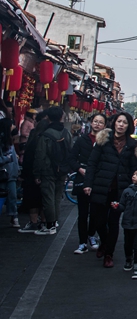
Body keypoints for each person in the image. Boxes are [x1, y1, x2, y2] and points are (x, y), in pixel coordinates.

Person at [83, 113, 137, 268]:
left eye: (125, 122)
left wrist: (134, 188)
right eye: (119, 121)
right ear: (114, 123)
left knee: (113, 222)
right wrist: (88, 184)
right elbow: (92, 163)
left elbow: (134, 169)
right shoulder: (103, 140)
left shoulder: (132, 145)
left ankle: (109, 253)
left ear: (129, 126)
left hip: (119, 190)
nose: (121, 125)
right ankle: (104, 242)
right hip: (100, 186)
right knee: (98, 220)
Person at [31, 107, 71, 236]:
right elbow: (71, 152)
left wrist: (37, 173)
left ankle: (50, 225)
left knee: (48, 197)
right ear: (61, 117)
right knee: (57, 197)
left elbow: (40, 156)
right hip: (63, 170)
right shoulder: (66, 133)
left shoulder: (46, 135)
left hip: (48, 170)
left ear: (48, 117)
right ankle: (55, 222)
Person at [71, 113, 106, 251]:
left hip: (99, 180)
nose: (97, 124)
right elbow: (72, 158)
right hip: (83, 178)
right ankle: (82, 242)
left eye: (100, 122)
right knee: (83, 212)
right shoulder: (82, 140)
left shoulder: (106, 142)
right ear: (91, 123)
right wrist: (79, 169)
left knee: (96, 212)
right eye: (95, 121)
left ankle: (91, 234)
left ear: (105, 125)